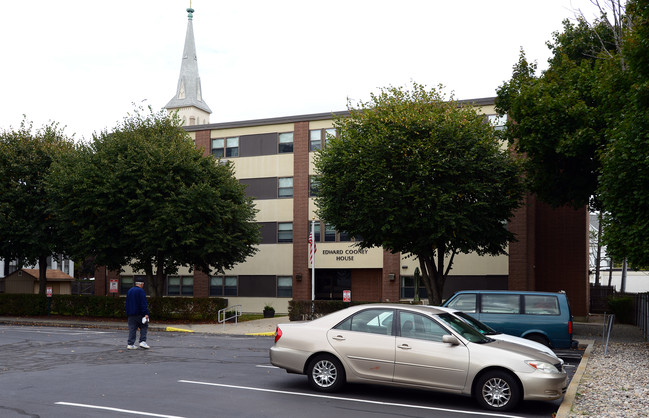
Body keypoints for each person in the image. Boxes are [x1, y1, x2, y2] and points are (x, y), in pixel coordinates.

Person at [125, 280, 150, 349]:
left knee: (132, 328)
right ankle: (142, 341)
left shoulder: (130, 290)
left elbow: (127, 302)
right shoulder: (141, 291)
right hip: (139, 313)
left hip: (131, 313)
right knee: (144, 326)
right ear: (141, 284)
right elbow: (143, 303)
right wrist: (146, 313)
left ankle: (130, 344)